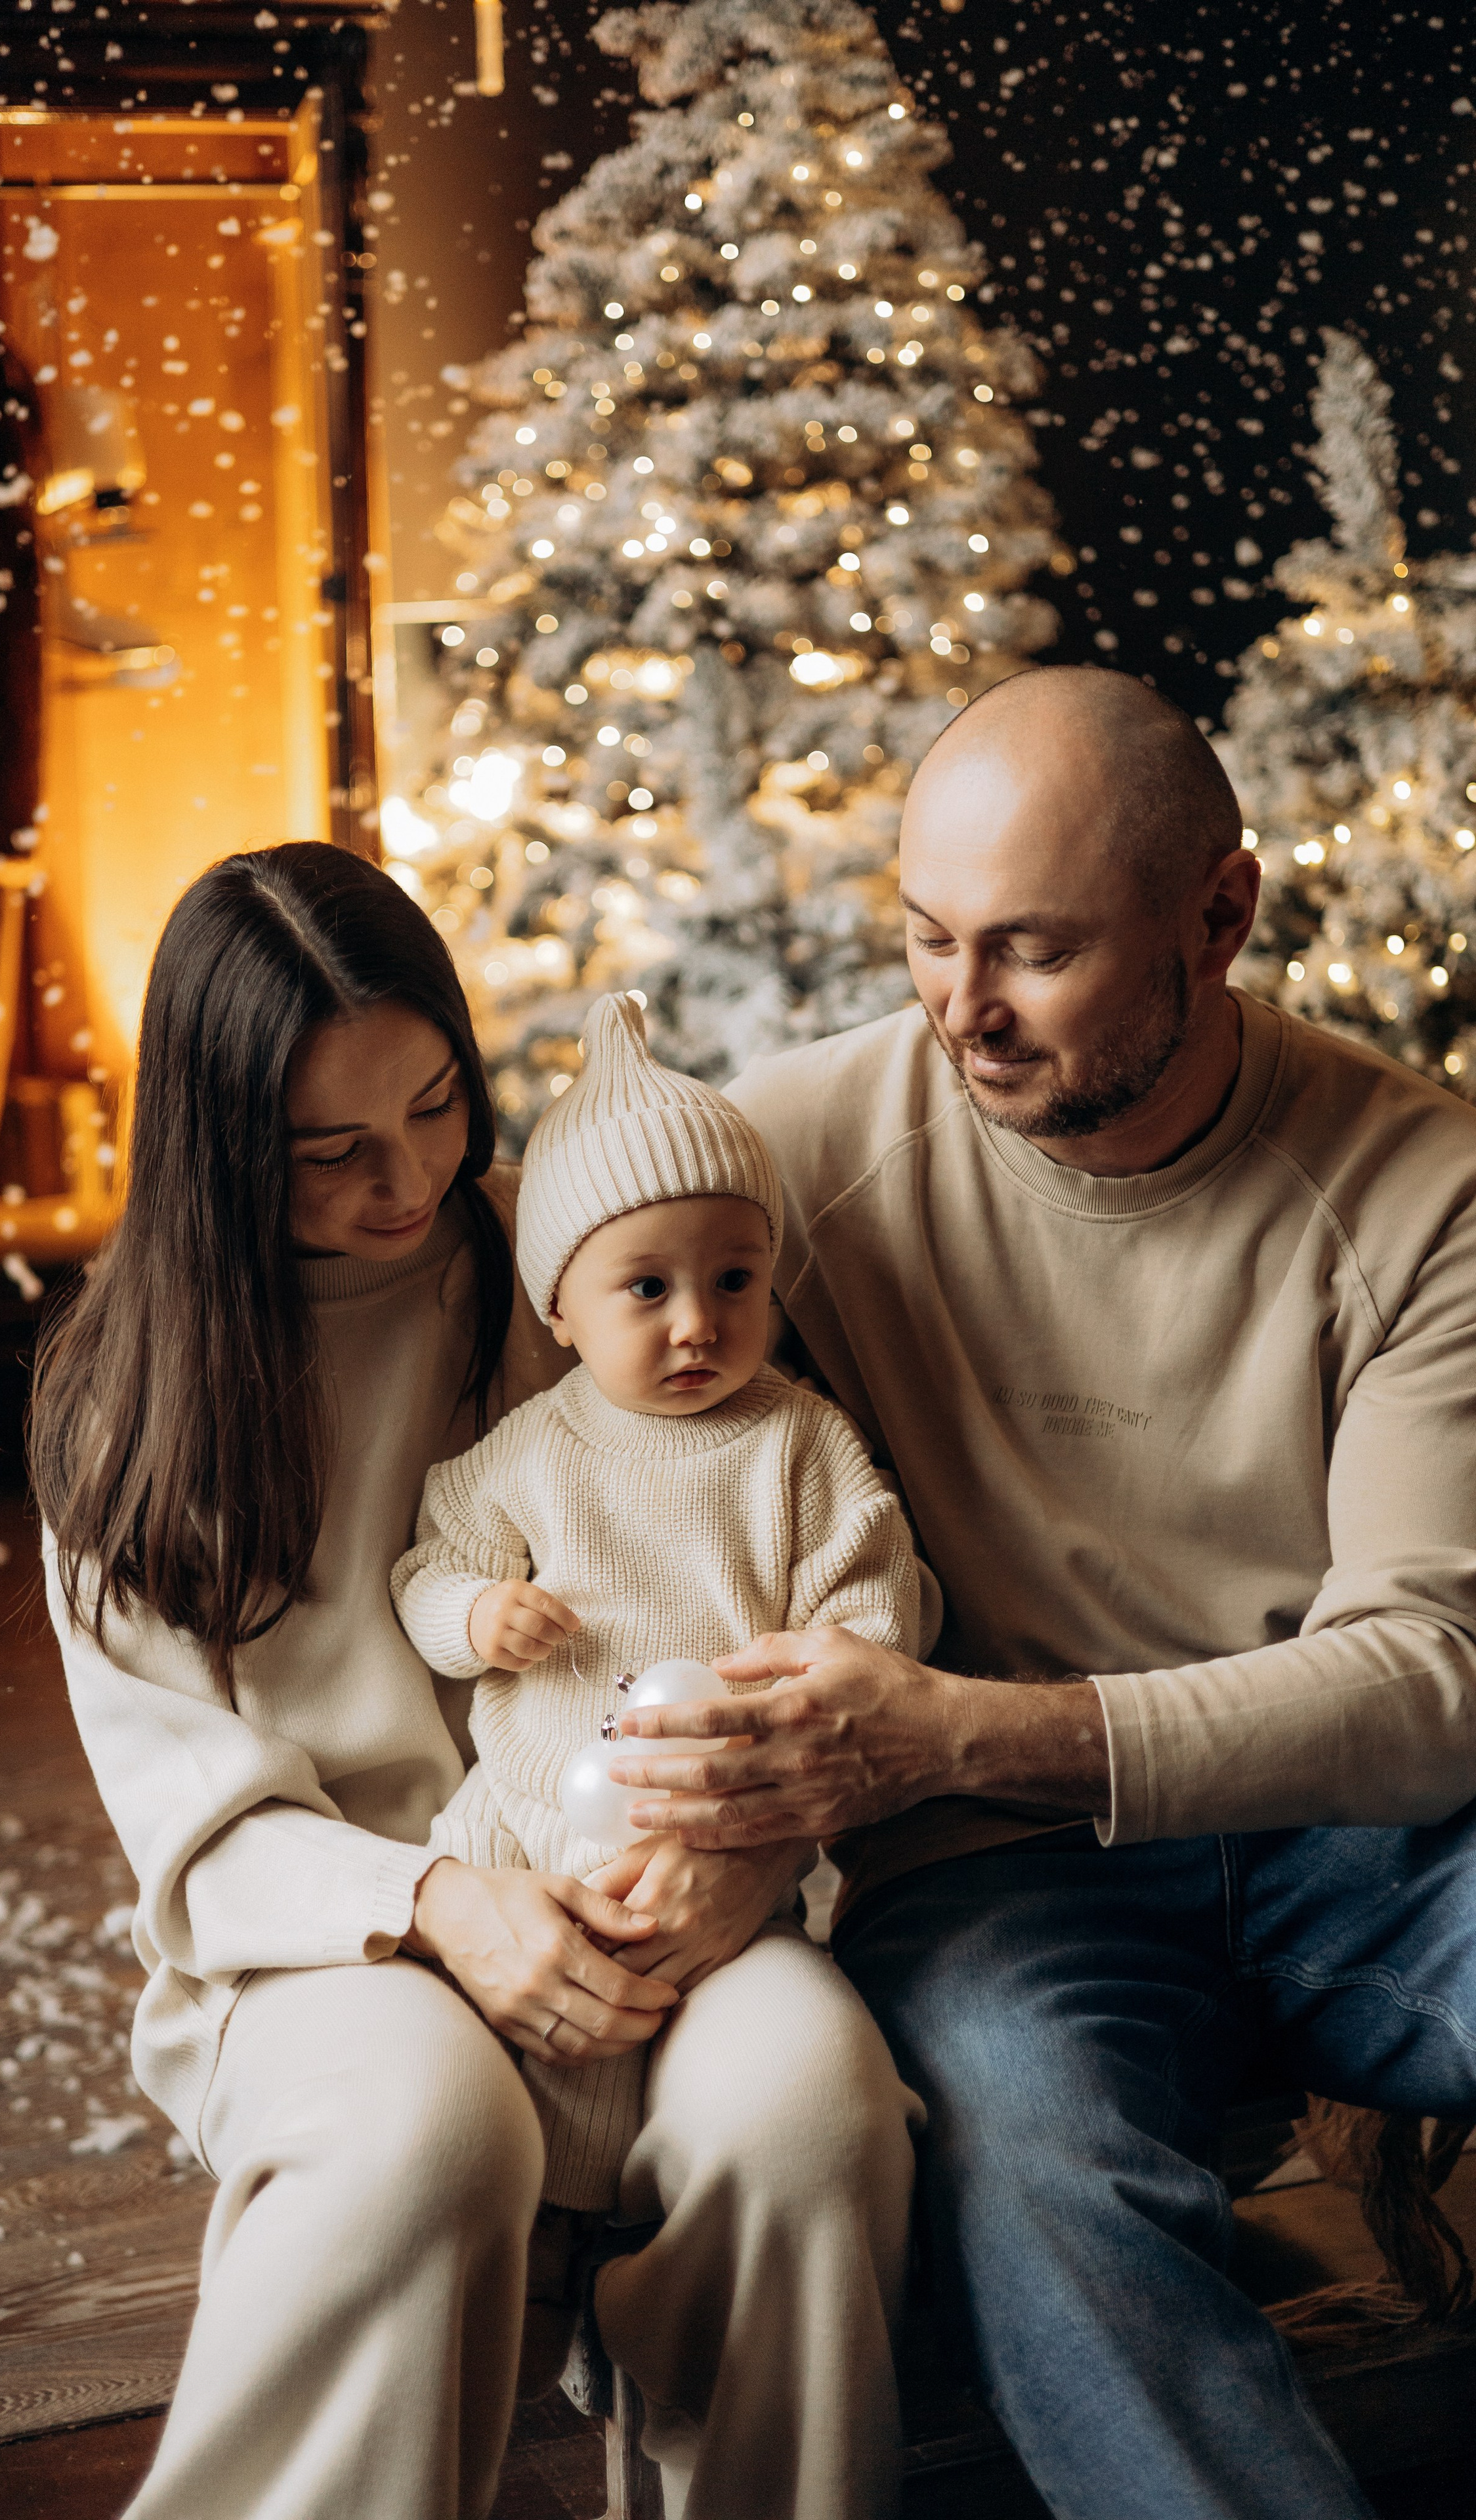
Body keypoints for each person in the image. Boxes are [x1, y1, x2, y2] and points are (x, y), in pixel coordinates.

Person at [606, 667, 1476, 2520]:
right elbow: (533, 1332)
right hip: (1004, 1886)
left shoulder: (1422, 1186)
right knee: (1036, 2177)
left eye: (1035, 950)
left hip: (1367, 1847)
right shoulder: (790, 1166)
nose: (963, 1010)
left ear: (1217, 919)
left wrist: (965, 1732)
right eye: (928, 937)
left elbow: (1426, 1686)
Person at [30, 843, 918, 2520]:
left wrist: (747, 1849)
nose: (409, 1179)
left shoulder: (578, 1254)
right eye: (332, 1152)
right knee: (431, 2136)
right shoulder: (126, 1398)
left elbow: (790, 1577)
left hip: (650, 1880)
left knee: (812, 2112)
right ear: (222, 1147)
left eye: (436, 1105)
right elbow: (192, 1824)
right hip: (334, 1937)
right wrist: (436, 1902)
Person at [392, 989, 931, 2221]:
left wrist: (796, 1709)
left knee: (704, 2052)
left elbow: (873, 1610)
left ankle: (638, 2241)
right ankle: (541, 2247)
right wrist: (476, 1616)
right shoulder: (527, 1454)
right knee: (493, 2068)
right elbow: (423, 1572)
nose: (698, 1324)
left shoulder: (801, 1446)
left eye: (736, 1279)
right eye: (647, 1288)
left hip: (714, 1837)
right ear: (558, 1312)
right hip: (519, 1826)